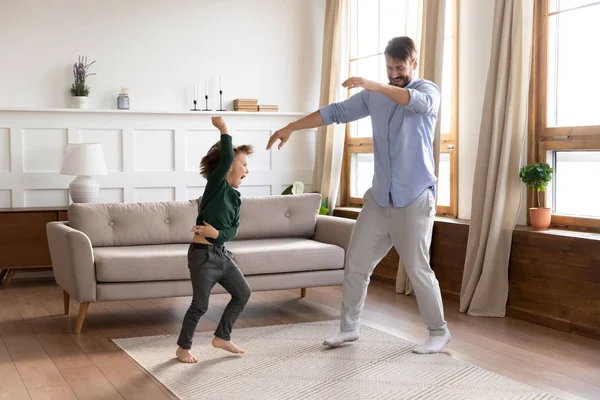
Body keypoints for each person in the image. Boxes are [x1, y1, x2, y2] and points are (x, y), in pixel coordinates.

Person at [266, 36, 450, 354]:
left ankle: (438, 331)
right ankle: (349, 329)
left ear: (414, 63)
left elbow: (414, 102)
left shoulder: (427, 91)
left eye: (400, 67)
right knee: (356, 264)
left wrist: (376, 85)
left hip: (415, 198)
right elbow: (334, 112)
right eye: (389, 67)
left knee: (419, 269)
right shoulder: (374, 97)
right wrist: (291, 127)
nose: (394, 73)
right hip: (380, 198)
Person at [176, 116, 253, 363]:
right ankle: (183, 348)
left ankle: (222, 336)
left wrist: (216, 234)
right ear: (229, 166)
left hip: (222, 255)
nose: (247, 169)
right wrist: (224, 129)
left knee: (243, 293)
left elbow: (234, 230)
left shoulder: (236, 198)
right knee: (200, 305)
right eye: (244, 163)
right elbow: (227, 157)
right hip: (202, 257)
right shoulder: (215, 185)